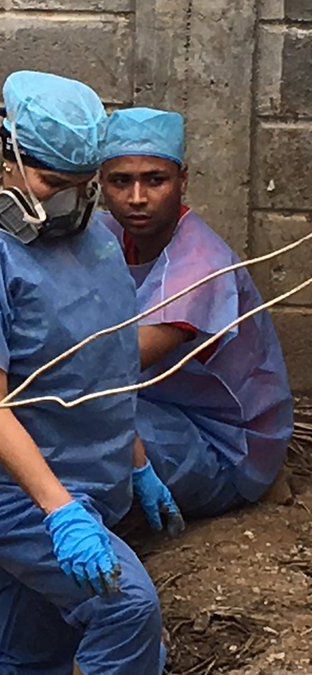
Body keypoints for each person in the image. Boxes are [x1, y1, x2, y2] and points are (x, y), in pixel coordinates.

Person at [0, 72, 165, 674]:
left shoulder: (93, 242)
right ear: (9, 158)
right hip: (10, 494)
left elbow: (100, 367)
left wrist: (136, 461)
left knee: (31, 649)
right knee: (125, 608)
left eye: (83, 186)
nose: (70, 202)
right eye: (54, 185)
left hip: (84, 477)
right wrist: (60, 512)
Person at [97, 107, 294, 524]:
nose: (137, 198)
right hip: (158, 405)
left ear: (182, 181)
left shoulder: (200, 266)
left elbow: (108, 368)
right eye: (120, 181)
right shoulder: (110, 234)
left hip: (224, 446)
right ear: (99, 183)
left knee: (69, 426)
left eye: (155, 180)